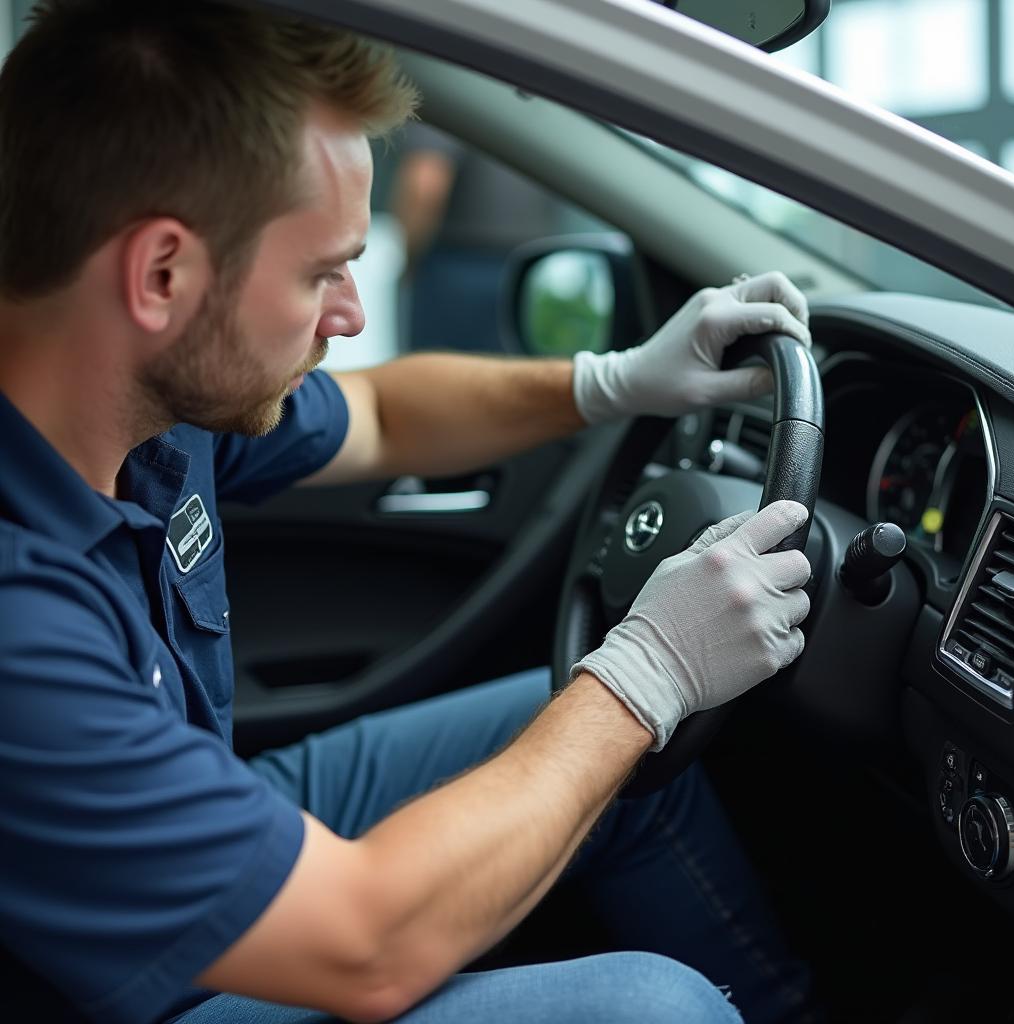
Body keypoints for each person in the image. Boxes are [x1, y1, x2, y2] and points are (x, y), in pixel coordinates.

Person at [0, 3, 817, 1023]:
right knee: (655, 1007)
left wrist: (613, 380)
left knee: (586, 735)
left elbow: (382, 413)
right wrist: (645, 671)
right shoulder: (17, 618)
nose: (348, 312)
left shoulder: (146, 403)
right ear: (161, 273)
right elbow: (364, 945)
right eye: (319, 271)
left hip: (202, 829)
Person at [391, 122, 572, 353]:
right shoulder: (547, 98)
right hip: (535, 271)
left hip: (455, 272)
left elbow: (424, 184)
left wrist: (409, 254)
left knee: (436, 381)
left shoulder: (457, 92)